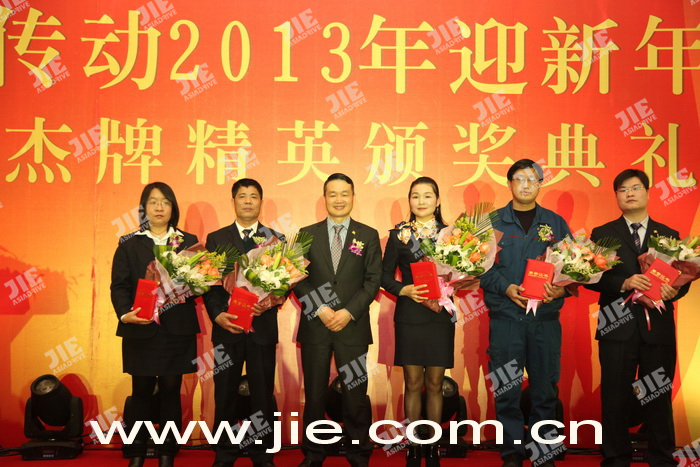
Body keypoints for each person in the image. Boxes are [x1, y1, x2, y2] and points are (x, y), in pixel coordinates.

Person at [585, 169, 689, 466]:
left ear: (647, 192)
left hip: (657, 327)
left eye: (635, 187)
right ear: (616, 196)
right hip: (616, 325)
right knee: (614, 395)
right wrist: (624, 282)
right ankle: (616, 458)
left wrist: (673, 291)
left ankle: (662, 458)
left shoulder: (668, 235)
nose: (629, 193)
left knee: (658, 394)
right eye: (623, 189)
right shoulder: (602, 234)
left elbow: (682, 278)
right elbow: (589, 277)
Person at [478, 159, 572, 467]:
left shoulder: (555, 223)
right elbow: (476, 268)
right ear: (509, 184)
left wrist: (562, 289)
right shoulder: (491, 222)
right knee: (507, 390)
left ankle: (544, 453)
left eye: (533, 179)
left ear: (541, 183)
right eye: (519, 178)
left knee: (545, 390)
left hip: (545, 321)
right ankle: (512, 454)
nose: (526, 184)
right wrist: (505, 287)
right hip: (506, 319)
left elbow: (575, 266)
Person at [294, 173, 381, 467]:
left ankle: (358, 453)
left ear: (353, 197)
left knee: (355, 395)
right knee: (315, 395)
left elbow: (373, 280)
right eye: (333, 194)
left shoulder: (368, 235)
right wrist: (320, 308)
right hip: (316, 326)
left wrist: (348, 312)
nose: (339, 199)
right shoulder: (306, 234)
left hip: (352, 326)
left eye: (345, 193)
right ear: (324, 198)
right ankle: (313, 454)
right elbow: (297, 278)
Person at [111, 182, 200, 467]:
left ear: (173, 207)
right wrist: (125, 314)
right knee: (141, 392)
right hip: (142, 326)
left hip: (177, 329)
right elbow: (119, 286)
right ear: (144, 208)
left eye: (165, 202)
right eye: (153, 202)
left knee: (172, 391)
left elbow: (201, 284)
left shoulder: (188, 241)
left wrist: (195, 284)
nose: (159, 207)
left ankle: (167, 454)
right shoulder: (129, 242)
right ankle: (136, 454)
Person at [203, 178, 283, 467]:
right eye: (242, 196)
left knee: (262, 394)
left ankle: (262, 453)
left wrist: (268, 302)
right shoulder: (217, 238)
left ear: (261, 202)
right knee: (225, 392)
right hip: (228, 327)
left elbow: (284, 284)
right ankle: (225, 453)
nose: (248, 201)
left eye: (253, 196)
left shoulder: (275, 239)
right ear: (233, 201)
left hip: (262, 328)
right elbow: (208, 283)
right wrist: (217, 315)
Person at [380, 177, 450, 467]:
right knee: (412, 382)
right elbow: (383, 276)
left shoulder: (452, 235)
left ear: (437, 200)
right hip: (410, 314)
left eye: (427, 196)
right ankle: (412, 445)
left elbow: (465, 271)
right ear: (409, 201)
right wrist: (403, 290)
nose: (421, 201)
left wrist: (453, 284)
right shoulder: (399, 235)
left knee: (435, 383)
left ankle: (431, 446)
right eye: (415, 196)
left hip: (439, 316)